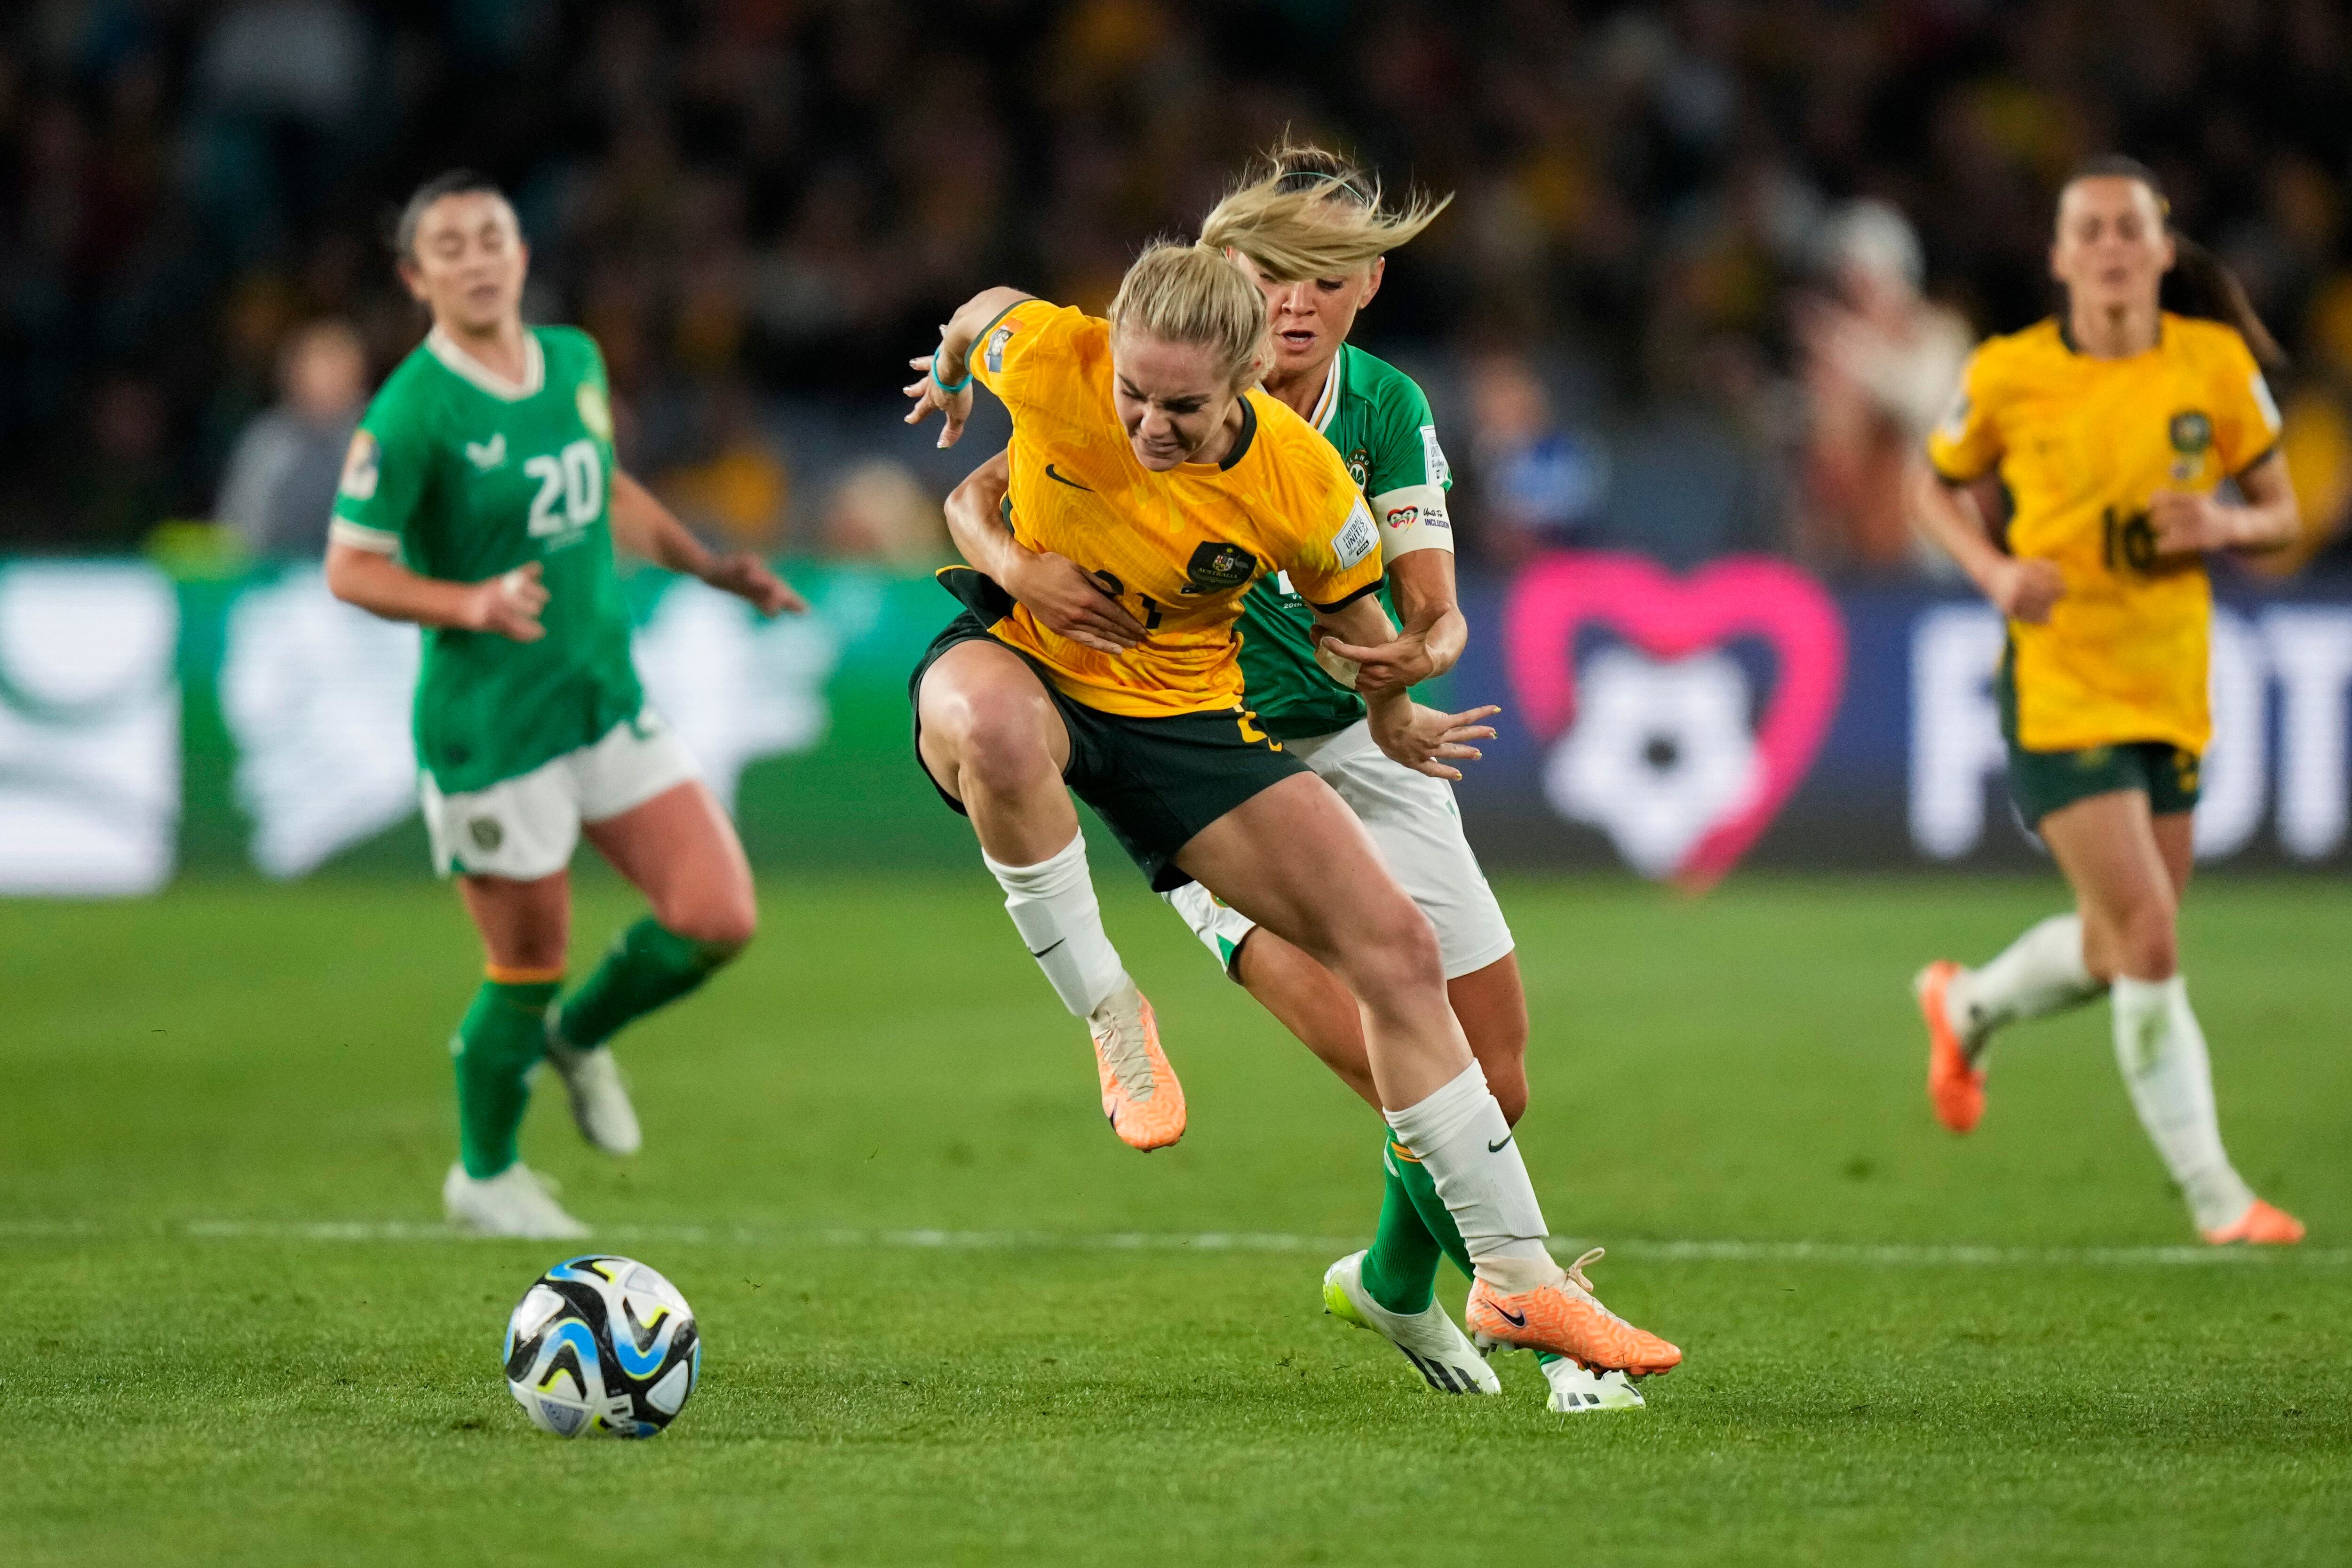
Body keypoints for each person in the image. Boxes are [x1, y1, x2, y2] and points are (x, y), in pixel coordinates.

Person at [901, 239, 1683, 1380]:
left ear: (1244, 381)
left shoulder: (1303, 485)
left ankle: (1519, 1283)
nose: (1149, 427)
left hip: (1185, 719)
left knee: (1398, 952)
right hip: (1027, 658)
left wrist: (1400, 709)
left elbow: (1362, 629)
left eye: (1181, 407)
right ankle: (1112, 1014)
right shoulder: (1057, 359)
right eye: (1132, 394)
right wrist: (958, 377)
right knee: (992, 728)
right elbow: (979, 308)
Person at [325, 171, 802, 1238]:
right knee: (524, 964)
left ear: (523, 253)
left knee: (718, 917)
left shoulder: (576, 360)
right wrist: (468, 599)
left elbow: (606, 485)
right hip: (492, 727)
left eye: (493, 235)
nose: (478, 257)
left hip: (601, 696)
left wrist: (707, 566)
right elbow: (349, 566)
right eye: (449, 246)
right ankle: (483, 1174)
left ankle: (579, 1039)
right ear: (416, 277)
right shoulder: (411, 411)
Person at [1907, 156, 2305, 1246]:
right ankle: (2218, 1197)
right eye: (2089, 230)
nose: (2111, 247)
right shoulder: (2009, 372)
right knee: (2149, 936)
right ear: (2059, 256)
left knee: (2121, 942)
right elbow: (1932, 484)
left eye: (2130, 227)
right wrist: (1992, 573)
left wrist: (2221, 526)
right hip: (2059, 681)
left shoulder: (2215, 365)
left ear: (2164, 250)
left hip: (2170, 683)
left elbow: (2281, 512)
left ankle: (1967, 1005)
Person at [217, 318, 369, 558]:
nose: (327, 383)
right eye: (318, 370)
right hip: (274, 581)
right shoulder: (267, 441)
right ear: (293, 377)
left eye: (336, 370)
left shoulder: (380, 438)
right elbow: (237, 532)